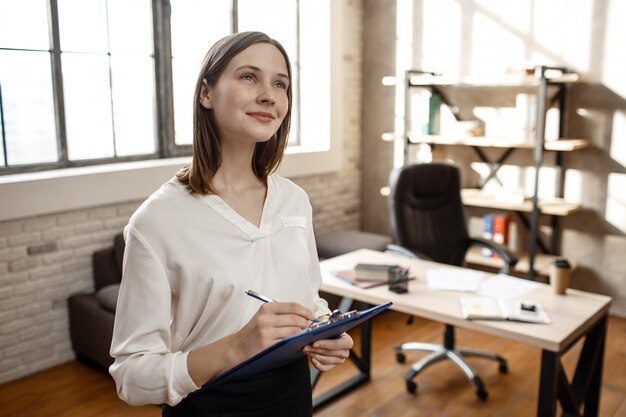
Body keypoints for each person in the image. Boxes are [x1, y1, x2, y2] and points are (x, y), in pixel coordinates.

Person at [109, 31, 353, 417]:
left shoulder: (294, 201)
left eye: (280, 84)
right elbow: (131, 377)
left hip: (293, 397)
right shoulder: (157, 220)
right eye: (248, 77)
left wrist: (323, 332)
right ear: (206, 93)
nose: (269, 95)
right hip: (212, 405)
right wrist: (237, 346)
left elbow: (309, 300)